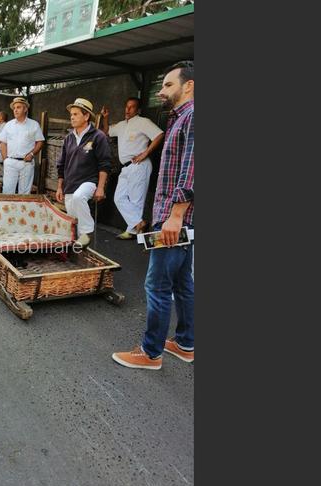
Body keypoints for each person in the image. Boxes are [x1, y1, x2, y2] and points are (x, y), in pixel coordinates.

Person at [112, 60, 194, 371]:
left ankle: (150, 353)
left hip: (175, 218)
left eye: (169, 85)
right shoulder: (181, 118)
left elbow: (192, 170)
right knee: (183, 283)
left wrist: (175, 216)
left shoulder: (192, 116)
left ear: (189, 86)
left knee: (157, 286)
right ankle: (186, 343)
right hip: (180, 218)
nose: (162, 91)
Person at [101, 98, 165, 239]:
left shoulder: (143, 122)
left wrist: (145, 153)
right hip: (125, 167)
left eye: (132, 107)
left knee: (136, 201)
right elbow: (106, 131)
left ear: (138, 110)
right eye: (126, 106)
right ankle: (139, 224)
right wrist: (106, 118)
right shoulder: (122, 125)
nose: (127, 110)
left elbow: (159, 135)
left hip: (139, 165)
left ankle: (133, 231)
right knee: (119, 198)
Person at [55, 98, 111, 247]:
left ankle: (87, 232)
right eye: (71, 114)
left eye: (76, 114)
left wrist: (100, 187)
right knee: (73, 220)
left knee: (79, 197)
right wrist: (60, 186)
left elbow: (105, 164)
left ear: (86, 116)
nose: (72, 117)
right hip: (70, 184)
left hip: (89, 181)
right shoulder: (68, 138)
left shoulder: (98, 136)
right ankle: (79, 248)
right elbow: (61, 165)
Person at [0, 98, 44, 194]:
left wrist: (32, 154)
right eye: (14, 108)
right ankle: (8, 209)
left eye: (18, 107)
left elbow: (40, 142)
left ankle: (22, 209)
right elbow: (2, 143)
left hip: (26, 163)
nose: (15, 110)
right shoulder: (9, 125)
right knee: (7, 192)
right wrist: (5, 159)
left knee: (24, 193)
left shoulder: (34, 124)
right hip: (10, 161)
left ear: (25, 109)